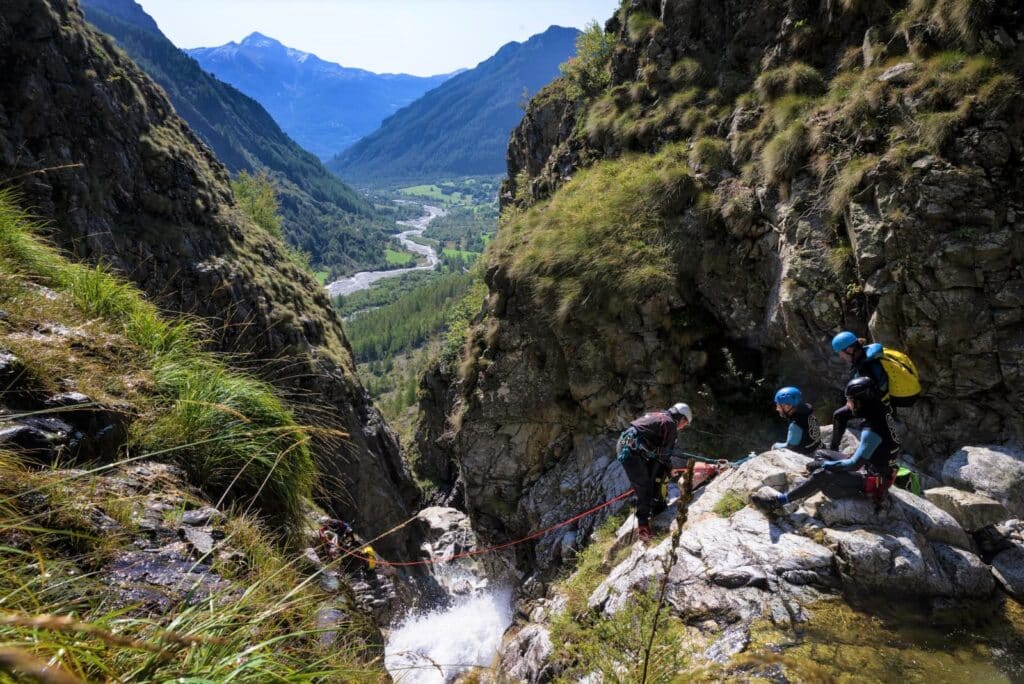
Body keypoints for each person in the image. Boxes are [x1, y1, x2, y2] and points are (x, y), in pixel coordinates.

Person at [751, 376, 900, 511]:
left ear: (860, 403)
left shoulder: (872, 429)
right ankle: (814, 481)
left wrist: (826, 465)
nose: (847, 404)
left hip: (873, 480)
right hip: (873, 468)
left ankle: (779, 501)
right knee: (820, 454)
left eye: (850, 400)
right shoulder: (880, 410)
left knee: (822, 474)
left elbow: (854, 464)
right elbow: (844, 416)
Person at [617, 402, 692, 542]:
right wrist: (670, 469)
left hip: (630, 446)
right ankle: (643, 528)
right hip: (632, 451)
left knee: (654, 476)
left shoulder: (660, 415)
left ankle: (656, 507)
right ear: (681, 418)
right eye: (685, 423)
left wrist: (666, 468)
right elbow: (664, 455)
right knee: (645, 487)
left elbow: (659, 453)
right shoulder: (670, 424)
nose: (683, 427)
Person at [829, 331, 890, 450]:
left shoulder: (865, 365)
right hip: (882, 400)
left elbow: (873, 391)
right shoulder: (865, 356)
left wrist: (853, 402)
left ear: (850, 349)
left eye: (841, 353)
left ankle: (833, 450)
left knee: (839, 415)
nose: (840, 356)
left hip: (879, 405)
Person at [771, 386, 822, 455]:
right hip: (819, 448)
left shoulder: (795, 425)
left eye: (778, 405)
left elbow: (789, 447)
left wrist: (775, 446)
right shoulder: (808, 413)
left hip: (807, 456)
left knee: (774, 447)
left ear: (787, 406)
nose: (777, 409)